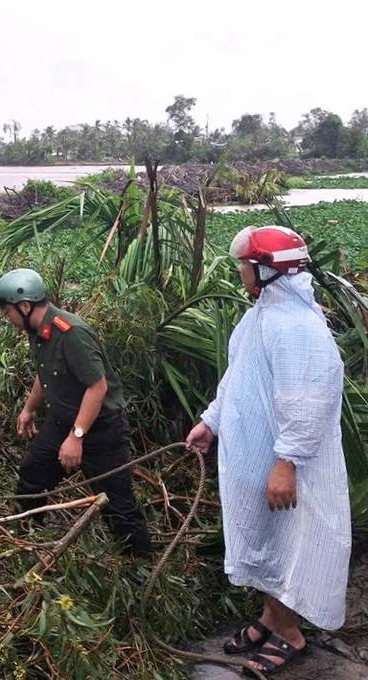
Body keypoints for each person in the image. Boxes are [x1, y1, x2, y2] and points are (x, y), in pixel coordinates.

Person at [185, 225, 349, 677]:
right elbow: (238, 380)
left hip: (282, 465)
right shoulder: (259, 316)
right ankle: (270, 619)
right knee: (262, 541)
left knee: (286, 544)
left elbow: (308, 402)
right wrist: (211, 421)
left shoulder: (298, 327)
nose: (241, 274)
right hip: (253, 458)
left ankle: (291, 634)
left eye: (244, 266)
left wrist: (286, 463)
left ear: (265, 270)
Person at [0, 268, 151, 556]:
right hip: (61, 422)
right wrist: (29, 409)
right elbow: (46, 373)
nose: (8, 319)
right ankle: (25, 541)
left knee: (118, 506)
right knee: (33, 476)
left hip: (101, 430)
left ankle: (140, 566)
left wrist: (76, 437)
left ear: (25, 306)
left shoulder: (72, 333)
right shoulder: (38, 330)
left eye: (8, 313)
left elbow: (97, 387)